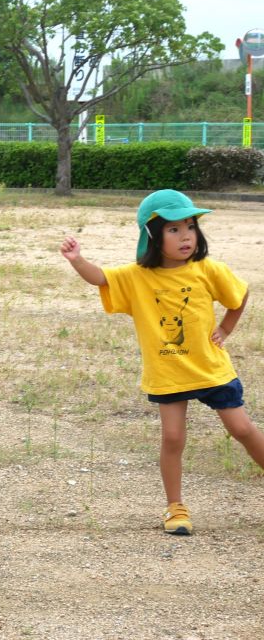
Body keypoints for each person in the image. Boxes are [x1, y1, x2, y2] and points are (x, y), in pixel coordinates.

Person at [60, 189, 264, 535]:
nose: (186, 236)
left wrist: (226, 328)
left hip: (210, 368)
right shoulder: (138, 277)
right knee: (172, 438)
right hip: (168, 372)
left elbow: (239, 293)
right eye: (173, 229)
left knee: (242, 429)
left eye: (190, 226)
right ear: (152, 236)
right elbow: (102, 278)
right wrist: (78, 260)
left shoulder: (207, 269)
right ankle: (175, 507)